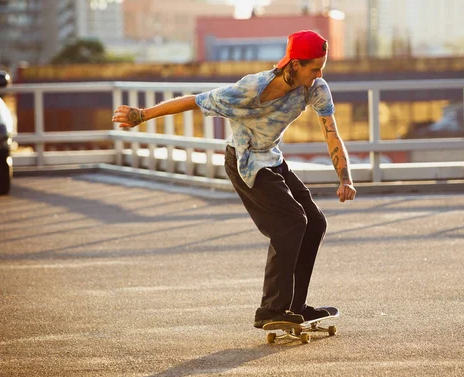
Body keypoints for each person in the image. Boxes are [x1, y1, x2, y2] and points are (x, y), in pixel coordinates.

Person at [112, 30, 357, 328]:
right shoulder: (250, 89)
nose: (319, 75)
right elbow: (194, 101)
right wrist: (142, 114)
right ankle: (270, 310)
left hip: (271, 158)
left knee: (315, 221)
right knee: (292, 223)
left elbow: (331, 132)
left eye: (322, 67)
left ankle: (295, 306)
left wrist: (345, 177)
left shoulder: (315, 89)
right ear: (294, 64)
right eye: (314, 68)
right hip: (244, 162)